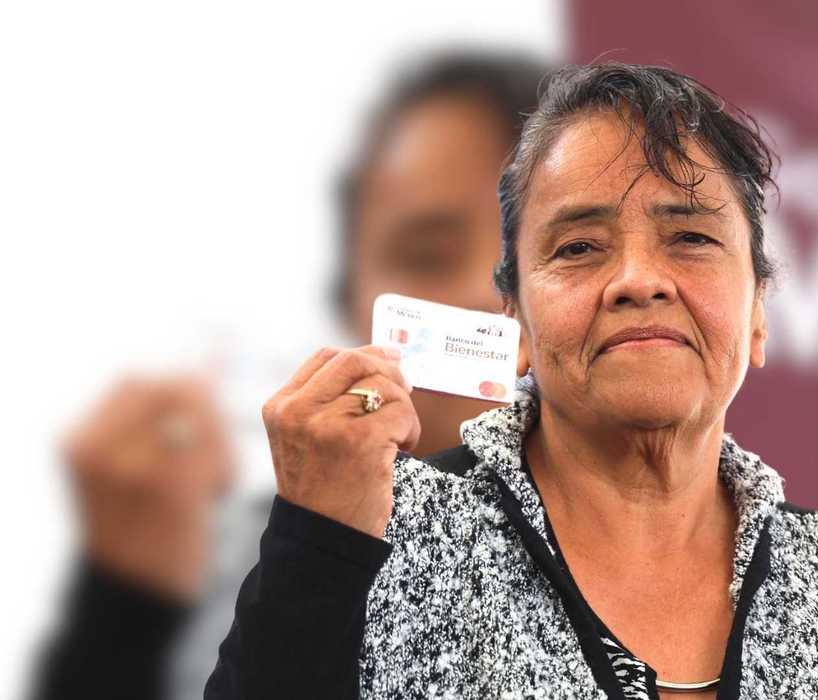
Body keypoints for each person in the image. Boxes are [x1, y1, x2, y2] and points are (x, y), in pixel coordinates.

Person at [206, 63, 818, 699]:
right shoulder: (379, 537)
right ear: (518, 323)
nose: (637, 279)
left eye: (691, 238)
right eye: (577, 247)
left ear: (758, 312)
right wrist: (319, 538)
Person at [27, 51, 550, 700]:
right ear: (351, 298)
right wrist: (125, 606)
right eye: (427, 253)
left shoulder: (682, 539)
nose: (486, 296)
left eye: (550, 251)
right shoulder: (238, 568)